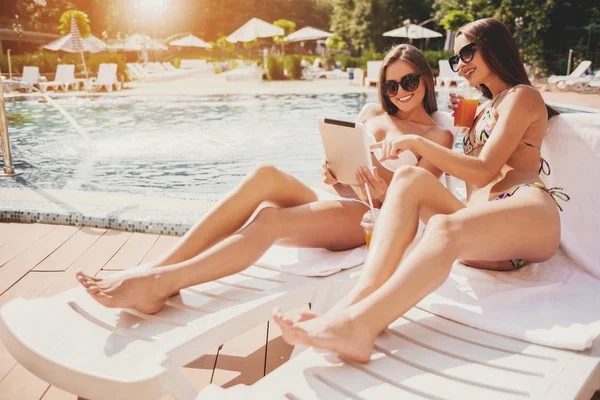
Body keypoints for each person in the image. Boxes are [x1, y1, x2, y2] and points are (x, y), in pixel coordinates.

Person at [272, 18, 570, 363]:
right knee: (407, 179)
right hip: (487, 230)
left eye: (468, 53)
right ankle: (346, 311)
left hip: (528, 212)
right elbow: (472, 179)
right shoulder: (483, 108)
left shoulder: (522, 97)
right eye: (456, 59)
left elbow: (487, 168)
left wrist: (416, 142)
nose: (461, 65)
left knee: (442, 226)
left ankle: (359, 327)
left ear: (494, 46)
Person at [75, 44, 453, 315]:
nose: (401, 91)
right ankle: (157, 267)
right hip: (345, 200)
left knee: (271, 220)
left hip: (374, 218)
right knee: (265, 175)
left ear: (426, 79)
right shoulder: (372, 115)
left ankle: (159, 285)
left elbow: (413, 202)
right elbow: (344, 181)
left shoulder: (438, 137)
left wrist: (383, 190)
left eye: (409, 81)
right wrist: (335, 175)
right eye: (392, 85)